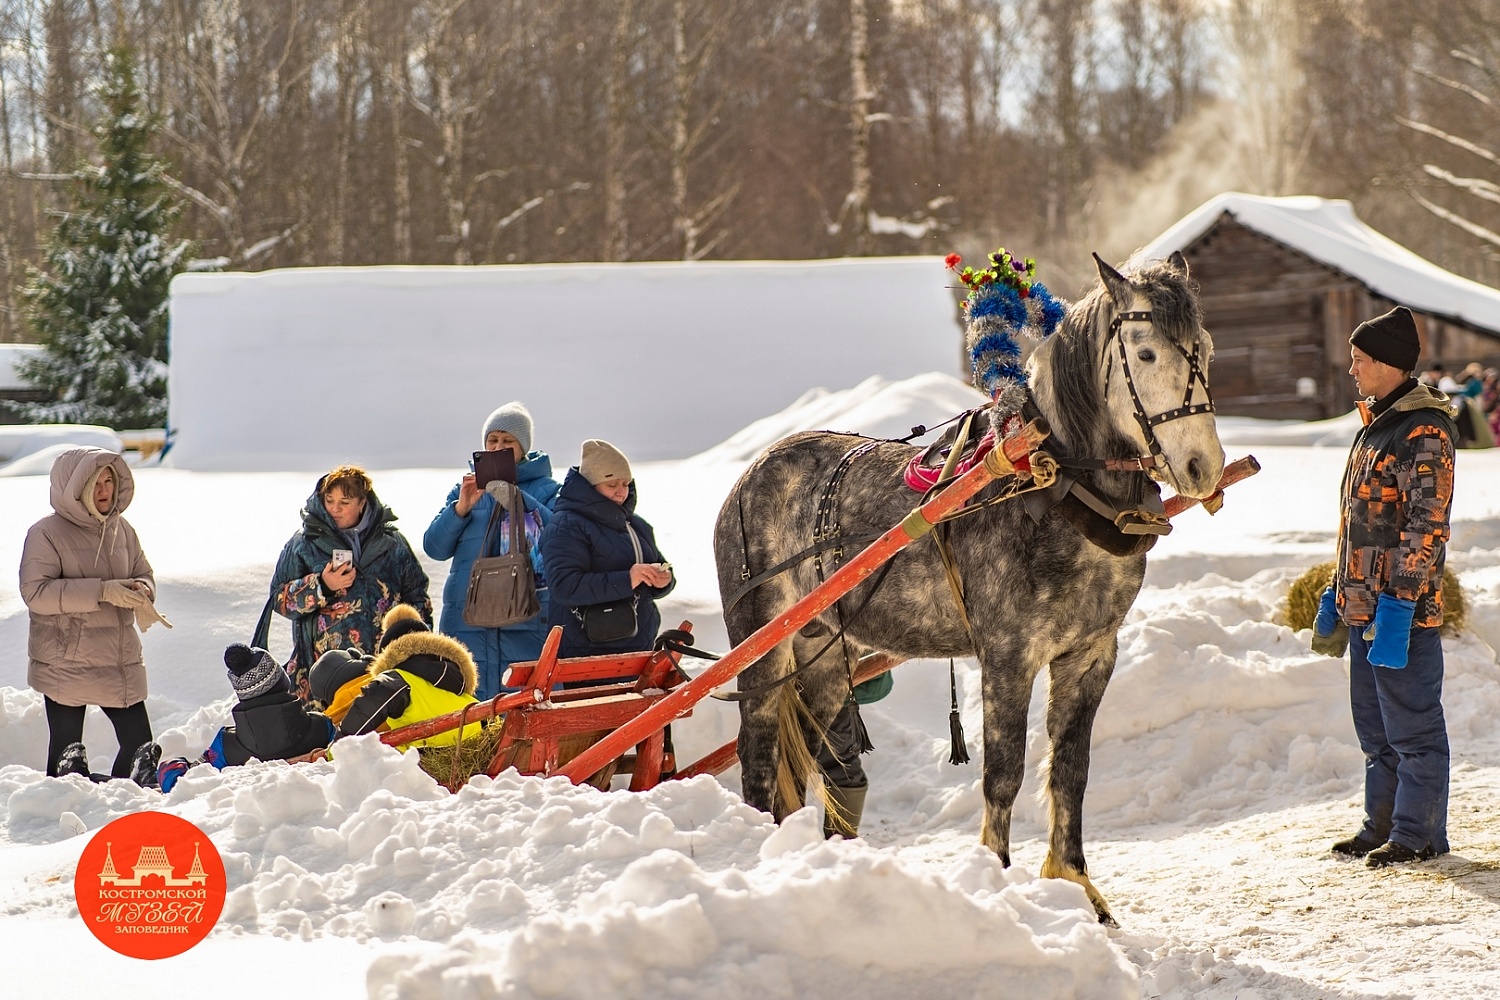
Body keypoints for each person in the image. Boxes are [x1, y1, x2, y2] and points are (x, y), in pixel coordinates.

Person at [1311, 305, 1456, 869]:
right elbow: (1358, 523)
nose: (1351, 368)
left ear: (1390, 365)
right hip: (1362, 606)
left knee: (1414, 731)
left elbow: (1427, 526)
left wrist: (1400, 602)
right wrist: (1336, 590)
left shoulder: (1425, 430)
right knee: (1376, 732)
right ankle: (1382, 826)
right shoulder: (1375, 425)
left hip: (1403, 614)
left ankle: (1418, 835)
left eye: (1360, 359)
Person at [20, 448, 169, 780]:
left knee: (140, 750)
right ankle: (62, 823)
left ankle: (119, 805)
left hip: (118, 657)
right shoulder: (46, 533)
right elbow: (35, 593)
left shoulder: (122, 530)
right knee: (66, 759)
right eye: (94, 484)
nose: (105, 491)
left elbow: (143, 571)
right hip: (66, 660)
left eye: (109, 481)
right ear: (76, 488)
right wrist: (102, 590)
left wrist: (143, 590)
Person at [423, 402, 562, 699]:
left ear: (523, 447)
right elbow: (434, 548)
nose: (498, 447)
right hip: (467, 618)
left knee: (524, 705)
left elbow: (557, 540)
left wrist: (516, 498)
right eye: (492, 440)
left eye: (508, 441)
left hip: (525, 618)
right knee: (469, 708)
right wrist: (459, 508)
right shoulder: (464, 489)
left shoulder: (547, 490)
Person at [270, 464, 432, 700]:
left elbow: (417, 597)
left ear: (362, 502)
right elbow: (279, 599)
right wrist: (321, 585)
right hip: (323, 670)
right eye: (329, 500)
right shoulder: (304, 543)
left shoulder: (392, 543)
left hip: (385, 666)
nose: (335, 509)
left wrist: (416, 647)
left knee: (381, 733)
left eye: (344, 502)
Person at [538, 440, 675, 659]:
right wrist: (626, 580)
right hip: (585, 655)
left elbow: (659, 569)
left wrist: (664, 580)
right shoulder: (564, 525)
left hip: (639, 649)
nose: (622, 492)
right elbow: (564, 586)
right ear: (590, 485)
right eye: (612, 485)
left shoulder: (636, 525)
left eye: (626, 483)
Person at [149, 643, 337, 792]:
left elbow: (183, 783)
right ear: (281, 682)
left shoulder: (226, 746)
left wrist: (171, 764)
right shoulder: (322, 726)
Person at [338, 604, 483, 750]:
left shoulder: (400, 679)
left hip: (432, 758)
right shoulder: (460, 689)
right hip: (480, 746)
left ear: (389, 653)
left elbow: (374, 700)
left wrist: (338, 746)